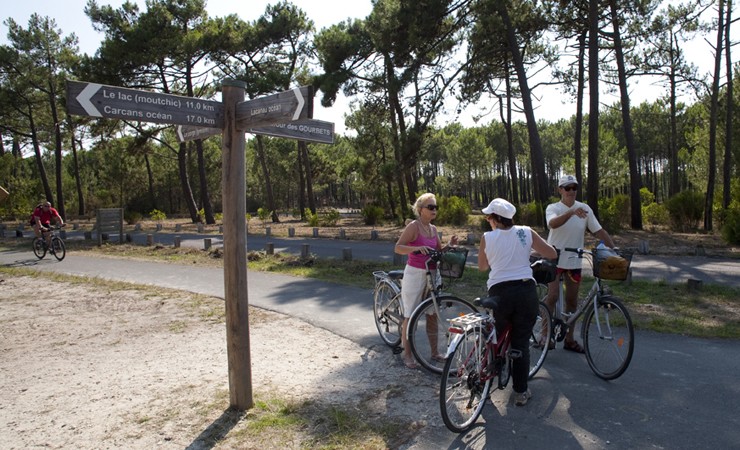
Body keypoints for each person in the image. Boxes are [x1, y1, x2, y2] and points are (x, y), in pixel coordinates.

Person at [478, 197, 556, 406]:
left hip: (499, 292)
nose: (487, 221)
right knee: (520, 341)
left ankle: (487, 379)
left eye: (488, 217)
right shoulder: (526, 232)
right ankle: (521, 392)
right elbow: (551, 253)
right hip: (524, 291)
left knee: (496, 336)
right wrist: (527, 251)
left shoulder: (487, 237)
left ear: (495, 219)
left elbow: (483, 267)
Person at [545, 175, 615, 353]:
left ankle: (569, 339)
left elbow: (598, 231)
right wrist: (570, 213)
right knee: (552, 296)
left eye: (574, 188)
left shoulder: (585, 209)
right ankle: (545, 336)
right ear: (560, 190)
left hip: (574, 261)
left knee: (572, 302)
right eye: (567, 188)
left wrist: (614, 249)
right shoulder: (553, 208)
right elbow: (552, 224)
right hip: (554, 258)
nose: (571, 192)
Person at [394, 193, 458, 369]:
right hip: (415, 273)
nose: (434, 210)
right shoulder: (414, 227)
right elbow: (398, 247)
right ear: (420, 209)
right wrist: (416, 248)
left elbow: (438, 251)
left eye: (435, 207)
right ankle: (407, 355)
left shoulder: (433, 229)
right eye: (430, 207)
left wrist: (450, 246)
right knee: (410, 314)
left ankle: (435, 352)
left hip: (432, 272)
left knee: (432, 313)